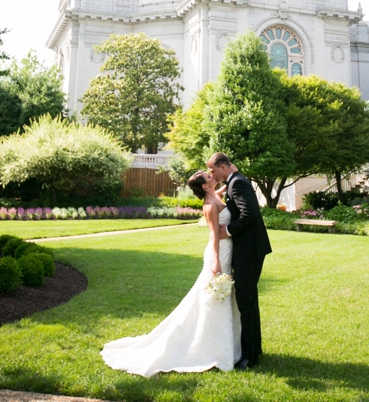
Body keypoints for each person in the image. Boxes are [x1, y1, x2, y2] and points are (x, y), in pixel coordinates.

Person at [101, 171, 241, 375]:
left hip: (227, 251)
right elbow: (213, 235)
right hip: (218, 254)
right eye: (207, 176)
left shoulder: (214, 195)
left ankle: (222, 342)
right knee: (212, 296)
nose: (211, 175)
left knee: (216, 296)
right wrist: (217, 262)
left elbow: (220, 192)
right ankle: (210, 346)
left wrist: (229, 181)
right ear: (204, 186)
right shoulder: (210, 205)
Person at [207, 152, 271, 369]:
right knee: (249, 300)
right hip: (247, 250)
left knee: (246, 302)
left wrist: (229, 230)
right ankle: (254, 349)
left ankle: (250, 357)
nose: (212, 174)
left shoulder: (238, 183)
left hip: (249, 251)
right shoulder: (235, 180)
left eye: (214, 171)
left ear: (224, 167)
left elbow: (249, 214)